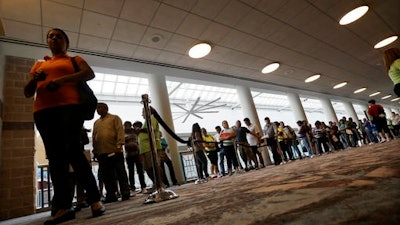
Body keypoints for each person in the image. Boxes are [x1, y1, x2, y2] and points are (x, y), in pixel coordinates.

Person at [23, 28, 104, 224]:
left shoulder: (73, 60)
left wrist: (61, 80)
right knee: (56, 159)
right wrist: (35, 78)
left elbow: (89, 73)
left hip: (69, 109)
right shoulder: (39, 64)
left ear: (66, 42)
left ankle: (95, 200)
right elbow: (27, 92)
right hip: (43, 112)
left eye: (59, 36)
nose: (54, 38)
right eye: (50, 36)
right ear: (47, 42)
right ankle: (64, 206)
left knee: (74, 153)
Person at [93, 103, 130, 203]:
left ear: (106, 108)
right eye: (97, 108)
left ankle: (125, 192)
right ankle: (111, 195)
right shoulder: (96, 123)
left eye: (100, 107)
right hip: (102, 153)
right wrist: (95, 150)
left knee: (120, 172)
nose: (98, 110)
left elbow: (120, 131)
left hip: (115, 150)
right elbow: (94, 137)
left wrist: (119, 145)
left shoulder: (115, 118)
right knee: (107, 175)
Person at [124, 121, 147, 194]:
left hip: (137, 153)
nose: (127, 126)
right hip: (128, 155)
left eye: (128, 125)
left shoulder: (134, 131)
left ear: (131, 126)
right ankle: (132, 188)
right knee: (131, 172)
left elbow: (143, 130)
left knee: (140, 171)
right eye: (125, 125)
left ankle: (143, 187)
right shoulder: (122, 133)